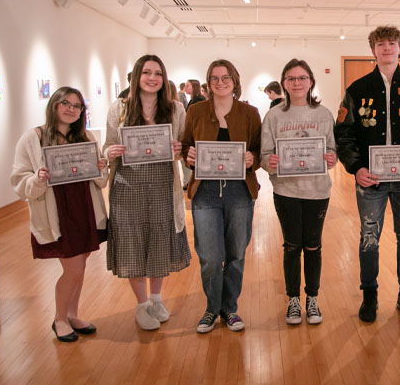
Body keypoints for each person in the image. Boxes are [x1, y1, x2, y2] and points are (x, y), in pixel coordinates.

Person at [335, 25, 400, 322]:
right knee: (369, 237)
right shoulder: (357, 90)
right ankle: (369, 294)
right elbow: (344, 133)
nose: (387, 48)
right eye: (381, 44)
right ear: (373, 51)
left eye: (392, 43)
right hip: (371, 179)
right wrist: (356, 168)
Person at [11, 87, 109, 342]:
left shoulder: (84, 136)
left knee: (81, 263)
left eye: (77, 106)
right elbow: (20, 182)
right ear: (54, 104)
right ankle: (59, 319)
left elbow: (100, 181)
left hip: (84, 206)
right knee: (74, 268)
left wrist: (100, 168)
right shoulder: (32, 138)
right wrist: (38, 178)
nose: (71, 109)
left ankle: (72, 314)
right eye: (66, 103)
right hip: (57, 212)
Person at [104, 55, 191, 330]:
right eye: (147, 72)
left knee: (159, 239)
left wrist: (179, 150)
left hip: (163, 185)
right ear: (136, 76)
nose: (152, 78)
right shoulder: (119, 107)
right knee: (132, 242)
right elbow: (106, 147)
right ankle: (141, 305)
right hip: (126, 186)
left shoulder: (175, 108)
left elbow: (183, 149)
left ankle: (156, 298)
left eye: (158, 73)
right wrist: (110, 151)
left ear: (163, 78)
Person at [181, 59, 260, 334]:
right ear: (208, 83)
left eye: (225, 77)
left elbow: (260, 150)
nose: (220, 82)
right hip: (205, 193)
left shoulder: (250, 113)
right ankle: (211, 309)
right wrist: (188, 156)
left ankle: (230, 309)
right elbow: (186, 146)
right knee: (211, 256)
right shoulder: (196, 111)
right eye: (214, 78)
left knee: (236, 252)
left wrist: (253, 158)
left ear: (234, 81)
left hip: (240, 191)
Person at [261, 59, 337, 325]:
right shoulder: (273, 115)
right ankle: (293, 299)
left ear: (311, 81)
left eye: (302, 78)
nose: (297, 83)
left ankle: (312, 298)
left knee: (313, 246)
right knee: (292, 246)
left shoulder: (324, 114)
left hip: (318, 191)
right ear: (284, 82)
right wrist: (268, 161)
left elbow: (332, 149)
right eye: (291, 79)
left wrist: (331, 159)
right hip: (286, 190)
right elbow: (264, 154)